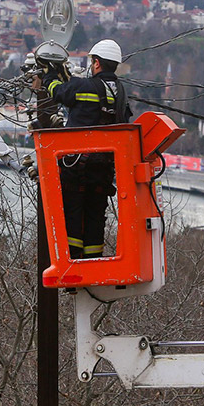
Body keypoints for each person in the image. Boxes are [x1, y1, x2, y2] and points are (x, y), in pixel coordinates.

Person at [39, 39, 133, 259]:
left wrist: (49, 75)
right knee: (95, 217)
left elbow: (59, 92)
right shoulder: (121, 93)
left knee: (72, 214)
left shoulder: (85, 86)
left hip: (77, 166)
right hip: (105, 169)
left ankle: (73, 261)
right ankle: (93, 261)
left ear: (97, 63)